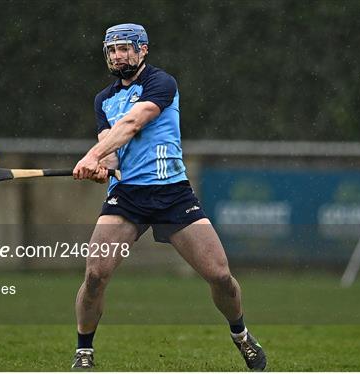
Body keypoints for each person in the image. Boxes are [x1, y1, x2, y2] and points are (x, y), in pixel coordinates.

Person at [71, 23, 266, 371]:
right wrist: (101, 164)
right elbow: (113, 148)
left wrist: (90, 155)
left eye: (125, 48)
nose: (118, 56)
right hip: (127, 197)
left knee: (220, 276)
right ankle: (84, 350)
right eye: (111, 50)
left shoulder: (161, 83)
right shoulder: (104, 99)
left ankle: (241, 335)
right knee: (95, 274)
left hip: (173, 195)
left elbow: (132, 124)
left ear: (143, 50)